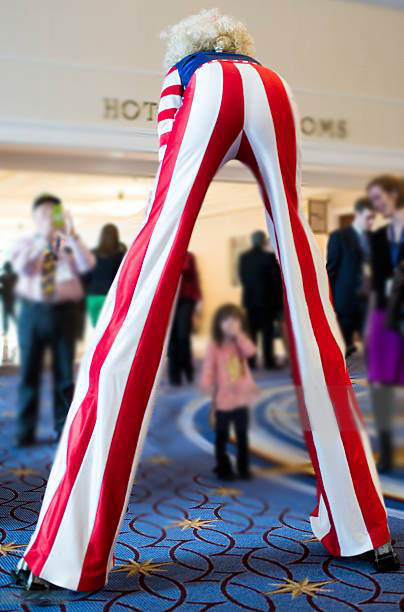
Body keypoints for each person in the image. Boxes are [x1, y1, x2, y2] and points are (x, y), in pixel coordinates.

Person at [15, 10, 398, 593]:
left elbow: (168, 177)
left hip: (204, 98)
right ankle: (366, 529)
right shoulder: (271, 77)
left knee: (145, 280)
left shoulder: (182, 73)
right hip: (276, 100)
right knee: (306, 285)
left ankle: (63, 552)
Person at [12, 194, 95, 447]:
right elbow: (24, 268)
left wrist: (73, 235)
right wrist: (44, 241)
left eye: (54, 213)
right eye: (45, 213)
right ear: (35, 218)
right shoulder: (26, 243)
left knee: (64, 374)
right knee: (29, 372)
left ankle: (62, 428)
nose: (50, 217)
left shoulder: (67, 243)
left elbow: (87, 265)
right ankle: (25, 430)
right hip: (33, 313)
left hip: (64, 314)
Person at [366, 176, 404, 472]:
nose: (376, 205)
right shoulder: (378, 236)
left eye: (379, 198)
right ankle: (387, 450)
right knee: (380, 384)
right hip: (382, 315)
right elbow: (376, 282)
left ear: (394, 194)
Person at [200, 304, 257, 480]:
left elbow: (251, 351)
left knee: (242, 434)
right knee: (222, 435)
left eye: (235, 320)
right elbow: (208, 367)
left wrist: (239, 336)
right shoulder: (215, 346)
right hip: (223, 399)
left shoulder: (241, 343)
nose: (231, 323)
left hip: (241, 399)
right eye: (226, 320)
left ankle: (243, 466)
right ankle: (222, 466)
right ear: (219, 324)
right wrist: (206, 383)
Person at [327, 198, 375, 356]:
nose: (371, 222)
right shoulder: (339, 236)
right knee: (343, 345)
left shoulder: (373, 238)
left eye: (373, 218)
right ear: (357, 215)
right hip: (346, 299)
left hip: (368, 298)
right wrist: (329, 299)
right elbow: (332, 269)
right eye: (368, 217)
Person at [239, 230, 283, 369]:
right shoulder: (268, 257)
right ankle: (268, 362)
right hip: (266, 300)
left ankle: (251, 361)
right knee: (267, 331)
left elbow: (242, 278)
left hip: (250, 299)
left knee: (251, 331)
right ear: (263, 241)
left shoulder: (244, 258)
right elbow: (276, 280)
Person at [168, 251, 201, 385]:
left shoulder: (189, 256)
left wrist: (198, 299)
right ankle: (174, 374)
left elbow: (194, 277)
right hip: (168, 301)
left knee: (183, 336)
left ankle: (188, 369)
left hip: (185, 299)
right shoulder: (165, 254)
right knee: (172, 338)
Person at [86, 224, 126, 326]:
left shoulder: (92, 253)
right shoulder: (119, 255)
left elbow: (87, 276)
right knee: (109, 330)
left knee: (97, 330)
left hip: (92, 297)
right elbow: (122, 277)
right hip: (109, 296)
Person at [0, 261, 17, 336]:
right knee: (7, 317)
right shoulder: (3, 278)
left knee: (13, 317)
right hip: (6, 300)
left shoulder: (14, 277)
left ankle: (6, 332)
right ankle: (5, 333)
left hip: (10, 300)